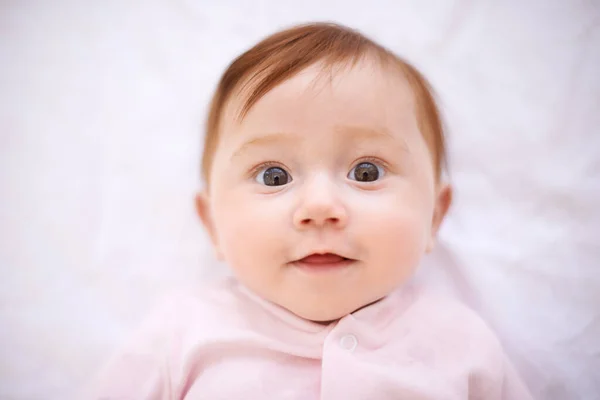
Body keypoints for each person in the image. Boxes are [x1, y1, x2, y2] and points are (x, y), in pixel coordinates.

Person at [86, 22, 532, 399]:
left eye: (367, 171)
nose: (320, 208)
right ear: (213, 225)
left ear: (434, 216)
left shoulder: (463, 344)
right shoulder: (182, 333)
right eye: (273, 176)